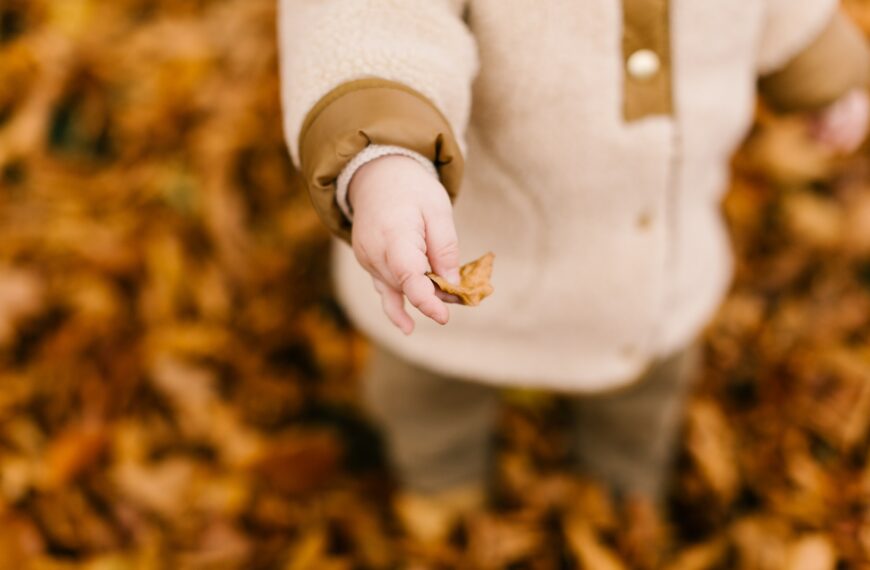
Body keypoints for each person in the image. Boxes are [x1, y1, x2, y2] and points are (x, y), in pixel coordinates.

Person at [278, 0, 870, 540]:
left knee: (643, 397)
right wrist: (384, 157)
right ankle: (441, 486)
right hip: (450, 252)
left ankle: (624, 500)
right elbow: (370, 17)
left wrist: (823, 72)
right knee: (429, 396)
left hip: (651, 259)